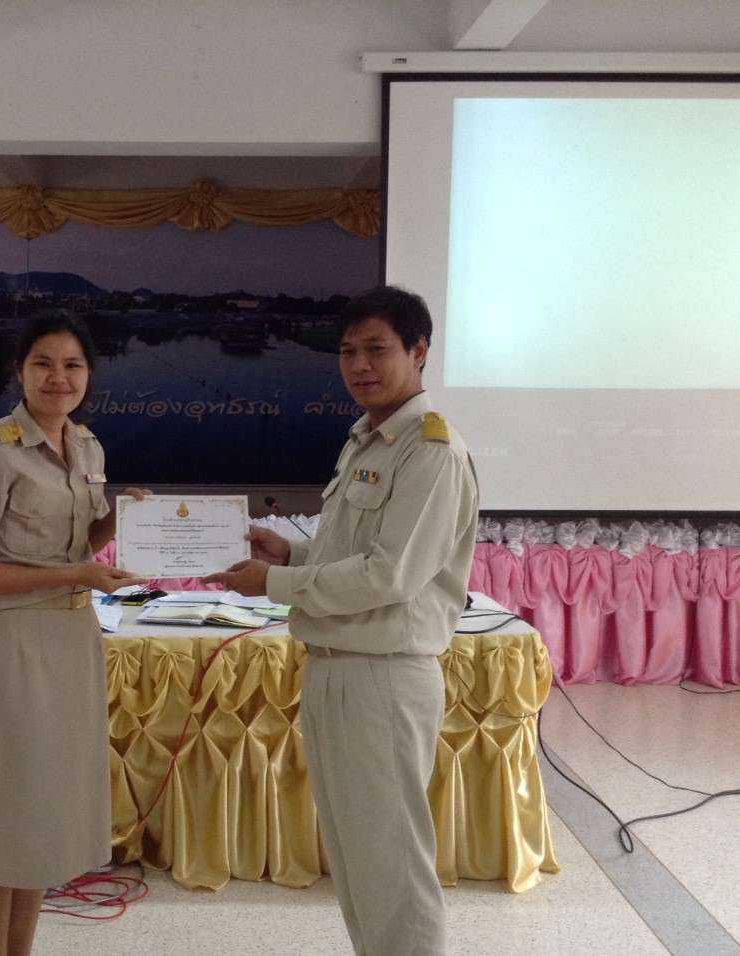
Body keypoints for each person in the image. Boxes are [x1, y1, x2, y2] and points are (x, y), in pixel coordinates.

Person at [205, 286, 479, 956]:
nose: (359, 365)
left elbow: (389, 576)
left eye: (377, 349)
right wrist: (290, 553)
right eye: (348, 351)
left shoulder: (430, 451)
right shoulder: (367, 441)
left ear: (418, 351)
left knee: (393, 863)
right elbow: (354, 554)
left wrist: (273, 583)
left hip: (383, 676)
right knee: (358, 859)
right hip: (337, 670)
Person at [0, 315, 149, 956]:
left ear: (89, 375)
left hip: (72, 641)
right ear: (20, 372)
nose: (58, 378)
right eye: (43, 363)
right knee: (2, 821)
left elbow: (77, 545)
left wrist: (120, 520)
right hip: (13, 643)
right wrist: (75, 574)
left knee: (38, 817)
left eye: (72, 365)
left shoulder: (87, 447)